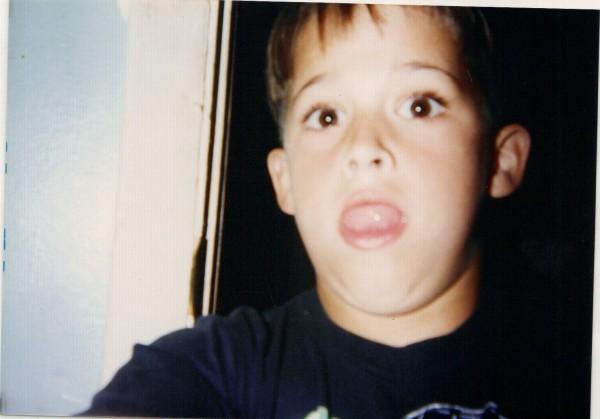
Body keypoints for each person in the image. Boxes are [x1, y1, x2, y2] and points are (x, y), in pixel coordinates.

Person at [84, 4, 561, 418]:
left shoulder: (569, 366)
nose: (364, 148)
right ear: (285, 181)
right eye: (326, 116)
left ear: (500, 161)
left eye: (419, 106)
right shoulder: (212, 370)